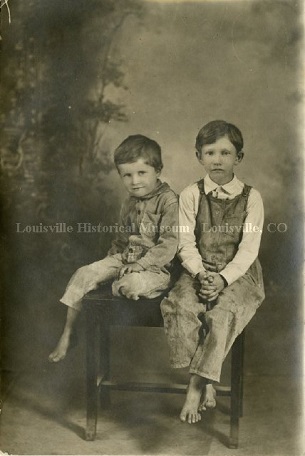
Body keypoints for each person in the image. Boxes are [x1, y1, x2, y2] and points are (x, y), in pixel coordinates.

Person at [161, 120, 265, 424]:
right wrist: (200, 273)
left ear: (238, 158)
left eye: (225, 152)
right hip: (198, 269)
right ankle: (207, 378)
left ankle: (195, 386)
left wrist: (222, 279)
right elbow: (184, 241)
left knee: (221, 315)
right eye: (209, 153)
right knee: (180, 306)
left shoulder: (252, 197)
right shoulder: (190, 194)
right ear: (199, 156)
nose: (217, 160)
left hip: (238, 274)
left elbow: (248, 249)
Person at [49, 134, 178, 362]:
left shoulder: (169, 201)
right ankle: (69, 332)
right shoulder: (128, 201)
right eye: (126, 175)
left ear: (158, 170)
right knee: (84, 273)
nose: (134, 181)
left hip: (156, 268)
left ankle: (122, 284)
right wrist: (107, 265)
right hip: (124, 258)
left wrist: (140, 265)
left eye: (141, 173)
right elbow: (121, 239)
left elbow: (169, 244)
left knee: (130, 285)